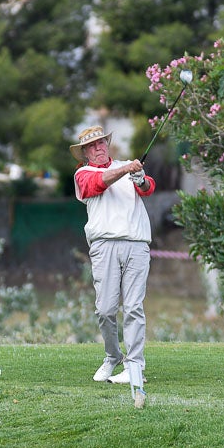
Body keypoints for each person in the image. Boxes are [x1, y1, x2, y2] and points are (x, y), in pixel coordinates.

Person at [70, 125, 154, 408]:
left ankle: (134, 366)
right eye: (92, 145)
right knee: (105, 309)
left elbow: (148, 189)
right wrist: (128, 169)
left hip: (137, 243)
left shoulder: (125, 167)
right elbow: (98, 184)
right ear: (84, 152)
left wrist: (140, 178)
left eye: (102, 142)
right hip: (104, 245)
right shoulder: (83, 174)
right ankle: (113, 356)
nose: (99, 147)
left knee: (133, 307)